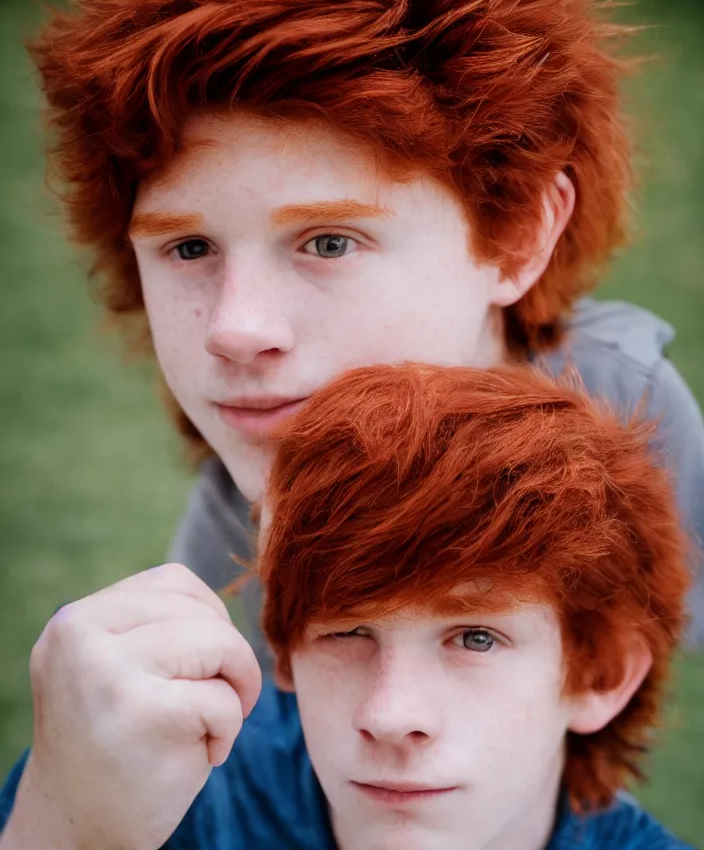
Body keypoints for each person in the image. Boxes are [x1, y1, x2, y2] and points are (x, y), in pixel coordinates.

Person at [24, 0, 704, 653]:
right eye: (190, 249)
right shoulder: (254, 475)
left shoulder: (626, 408)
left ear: (516, 237)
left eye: (328, 243)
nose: (236, 330)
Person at [0, 363, 695, 849]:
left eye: (476, 638)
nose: (392, 717)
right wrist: (65, 826)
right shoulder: (156, 797)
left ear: (599, 675)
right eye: (347, 632)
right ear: (286, 652)